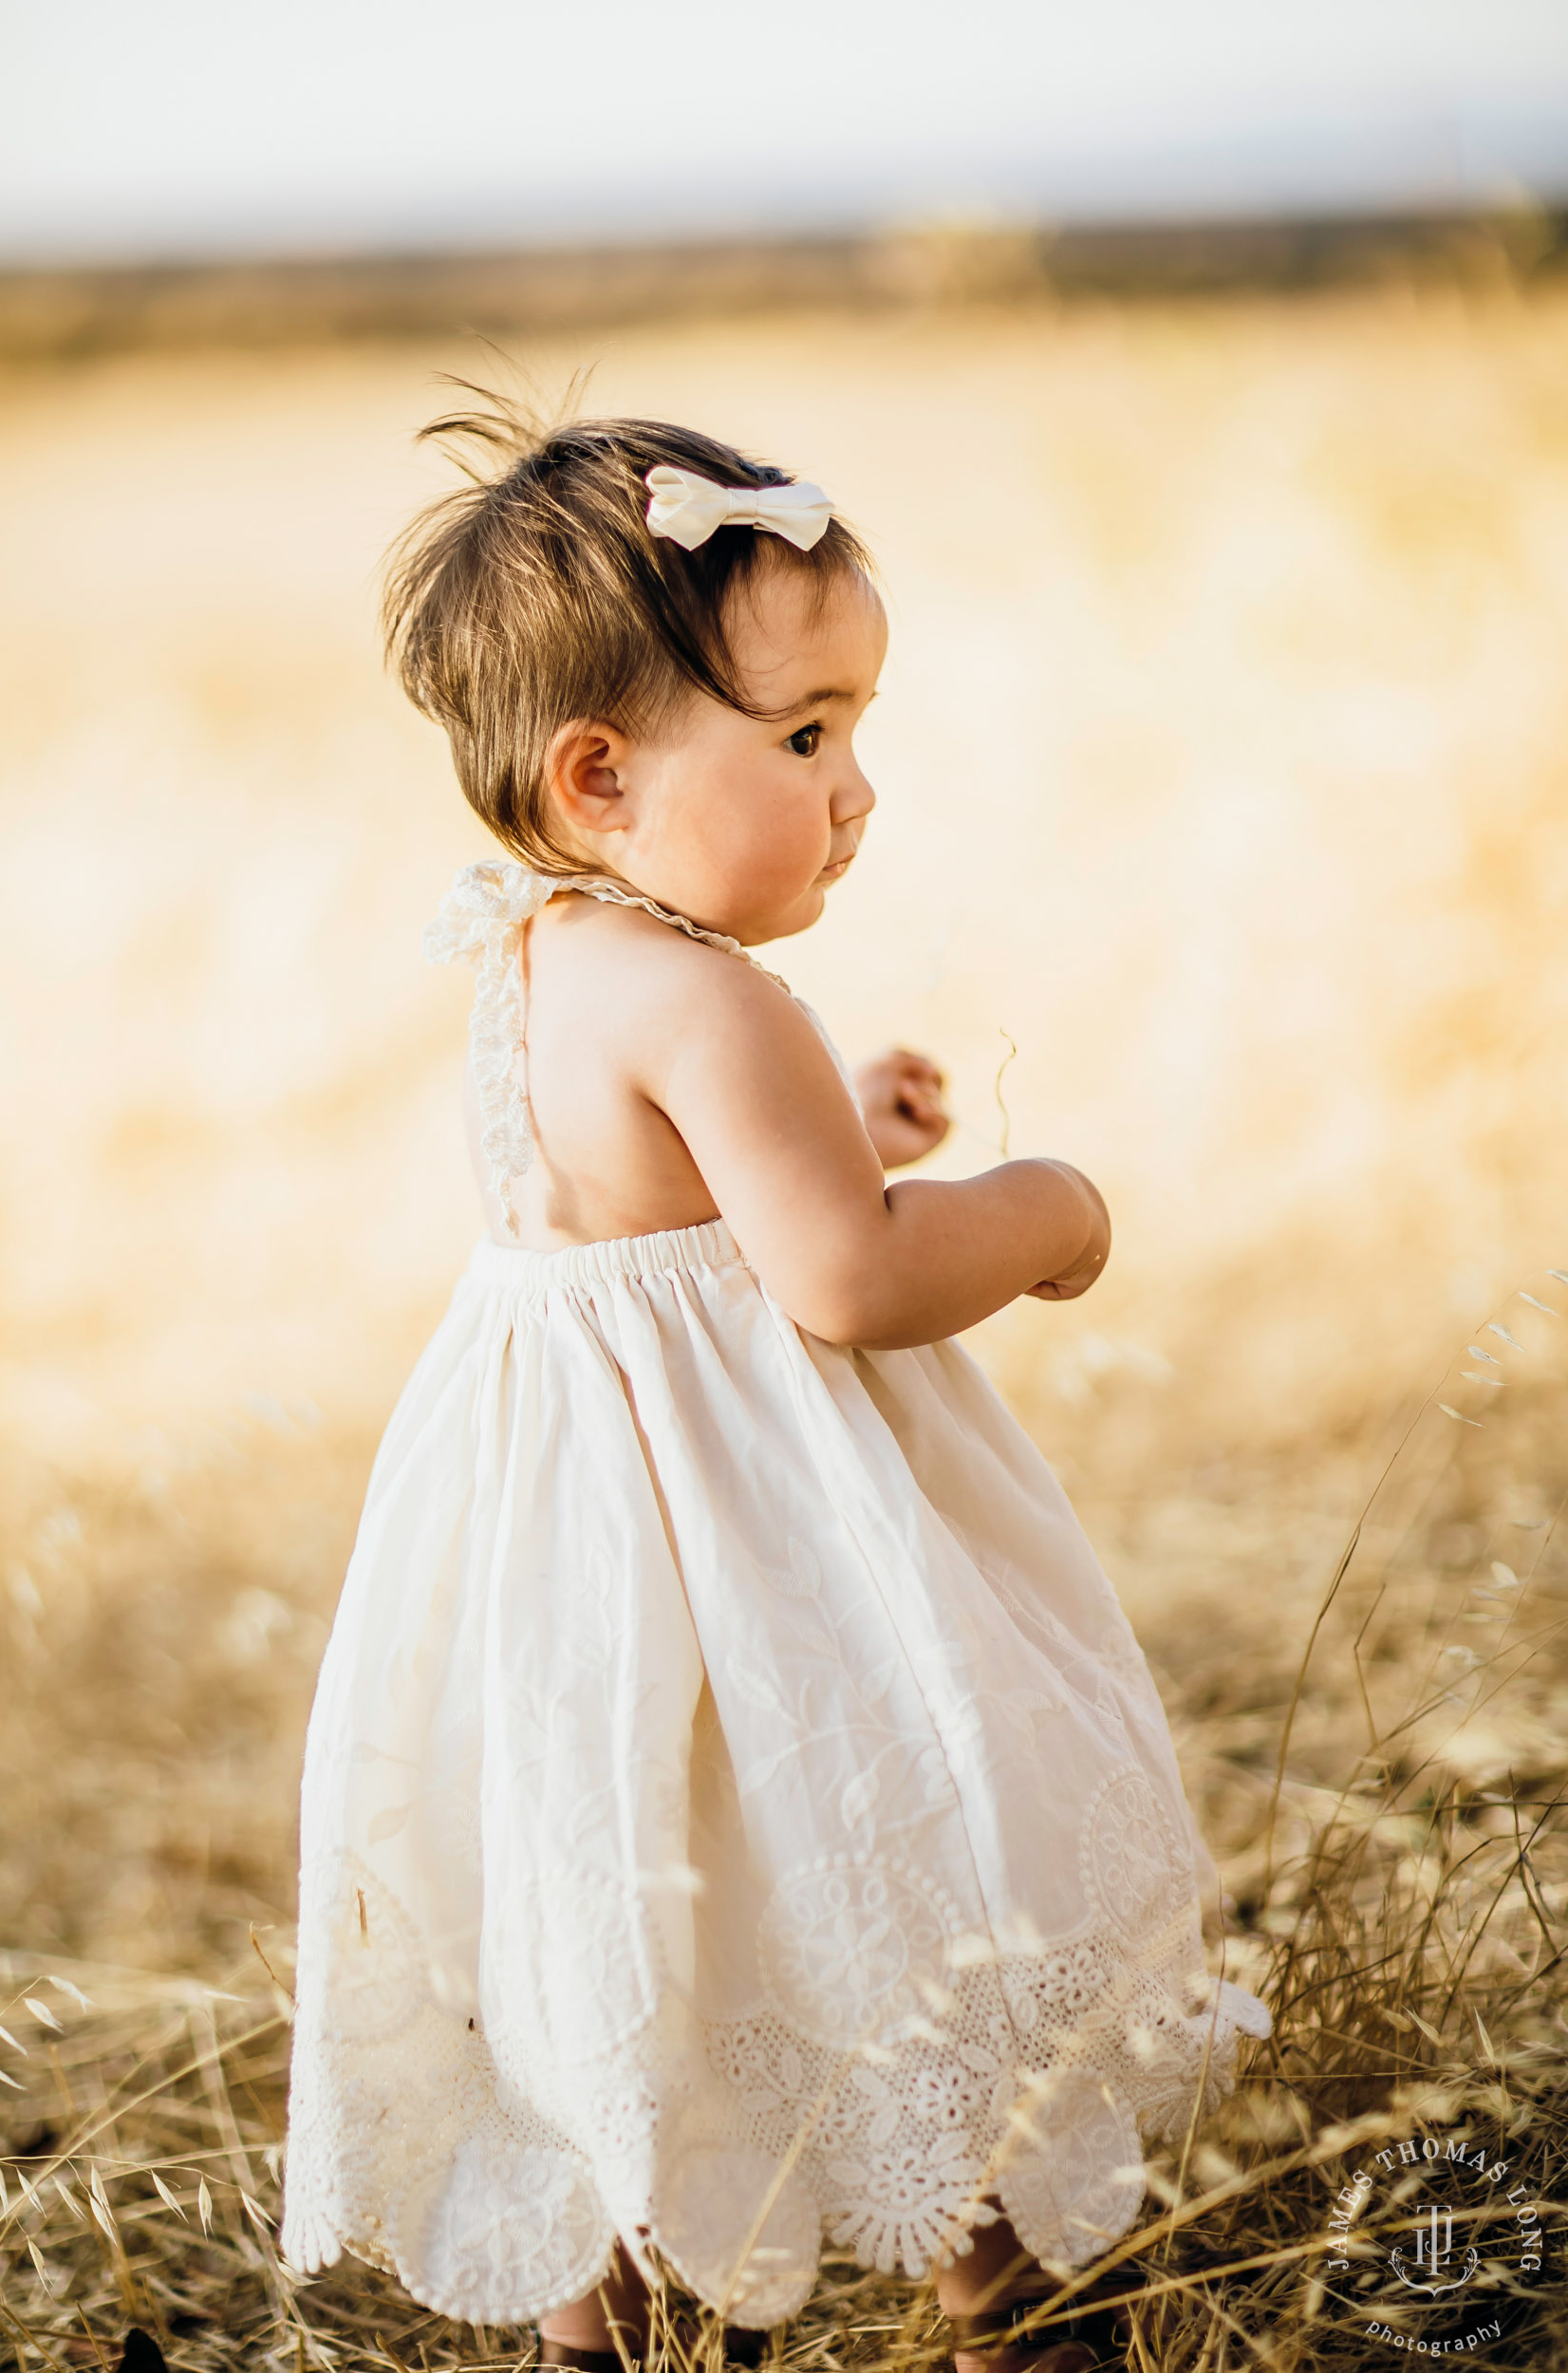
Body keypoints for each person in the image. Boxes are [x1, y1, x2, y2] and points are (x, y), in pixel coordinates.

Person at [279, 404, 1268, 2373]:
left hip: (570, 1577)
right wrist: (1035, 1204)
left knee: (615, 1916)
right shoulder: (715, 995)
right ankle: (999, 2281)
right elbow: (840, 1276)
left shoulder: (549, 954)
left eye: (858, 730)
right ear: (601, 771)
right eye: (807, 735)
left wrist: (852, 1121)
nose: (858, 786)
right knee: (872, 1870)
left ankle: (602, 2310)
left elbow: (682, 1231)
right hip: (757, 1564)